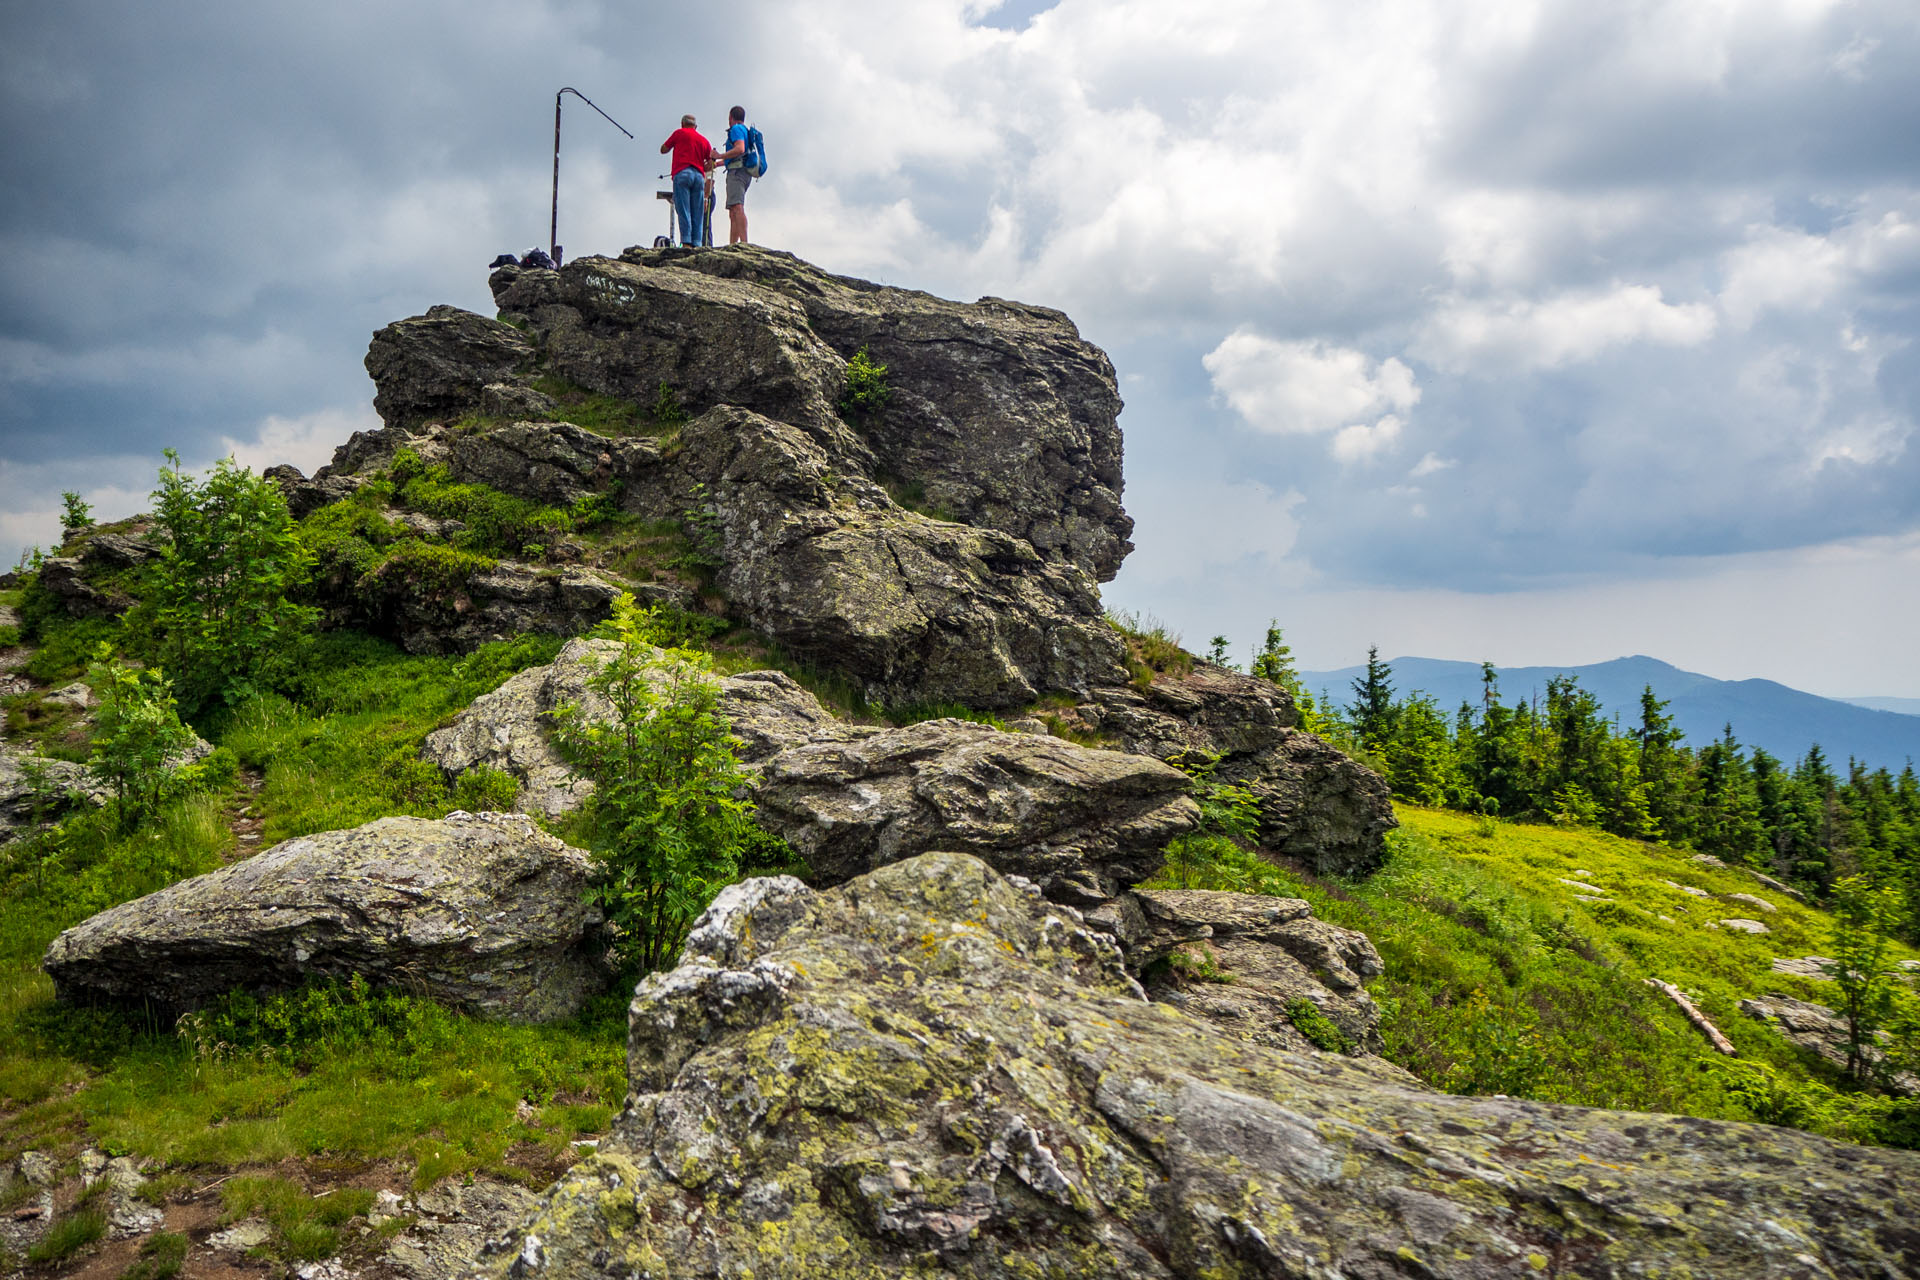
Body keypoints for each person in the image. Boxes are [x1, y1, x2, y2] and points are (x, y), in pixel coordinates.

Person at [659, 113, 714, 247]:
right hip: (698, 177)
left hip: (682, 174)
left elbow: (663, 149)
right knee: (697, 211)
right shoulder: (704, 140)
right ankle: (697, 243)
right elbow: (711, 162)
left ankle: (687, 242)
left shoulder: (679, 133)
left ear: (682, 124)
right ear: (696, 126)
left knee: (684, 210)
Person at [712, 105, 753, 244]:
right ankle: (733, 244)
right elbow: (738, 154)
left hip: (737, 173)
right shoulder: (745, 130)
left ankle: (744, 243)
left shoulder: (736, 129)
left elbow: (739, 149)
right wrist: (718, 163)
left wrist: (719, 155)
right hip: (744, 171)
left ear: (731, 117)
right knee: (733, 210)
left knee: (737, 207)